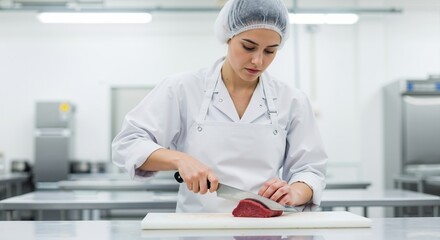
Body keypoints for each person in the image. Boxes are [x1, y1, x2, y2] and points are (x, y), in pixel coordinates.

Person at [112, 0, 327, 213]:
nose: (258, 61)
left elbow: (310, 169)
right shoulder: (182, 88)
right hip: (197, 230)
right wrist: (179, 159)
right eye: (248, 47)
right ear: (228, 35)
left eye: (270, 51)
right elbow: (128, 144)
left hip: (264, 229)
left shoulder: (291, 100)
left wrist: (295, 192)